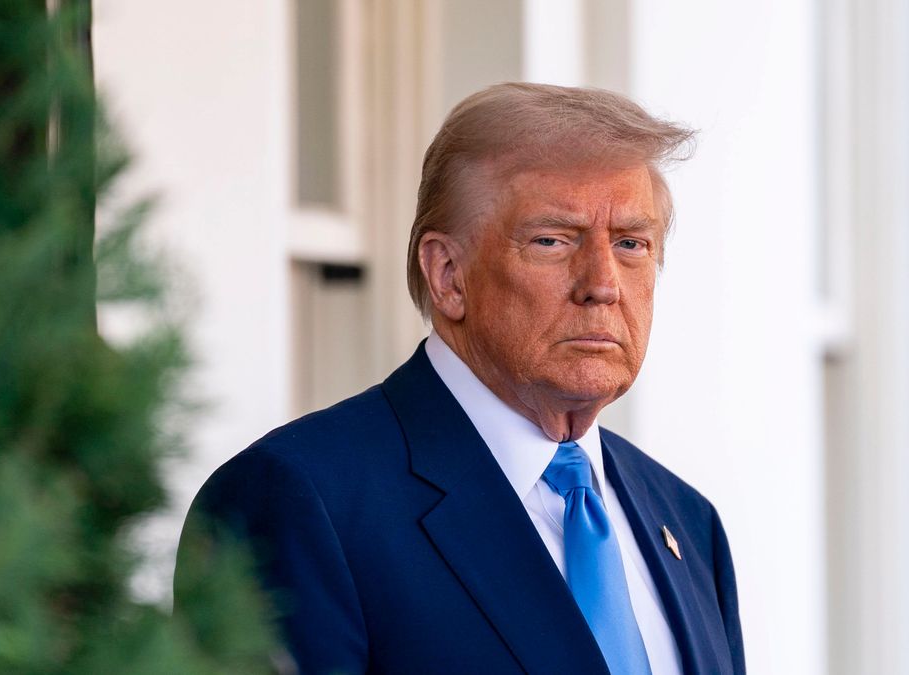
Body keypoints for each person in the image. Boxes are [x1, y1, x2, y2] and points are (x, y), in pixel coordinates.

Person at [176, 82, 745, 675]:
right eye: (552, 240)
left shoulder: (687, 521)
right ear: (448, 274)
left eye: (631, 243)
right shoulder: (295, 501)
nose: (603, 283)